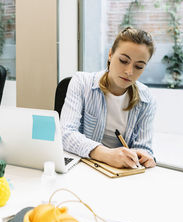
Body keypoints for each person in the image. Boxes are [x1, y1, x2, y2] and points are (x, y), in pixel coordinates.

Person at [61, 27, 156, 168]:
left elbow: (143, 147)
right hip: (83, 167)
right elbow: (66, 134)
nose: (129, 72)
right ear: (110, 54)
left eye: (139, 66)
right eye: (124, 60)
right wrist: (107, 154)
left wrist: (144, 156)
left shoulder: (146, 98)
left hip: (121, 173)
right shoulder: (82, 82)